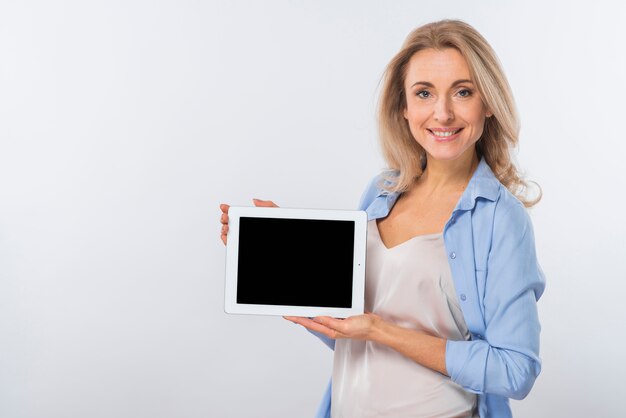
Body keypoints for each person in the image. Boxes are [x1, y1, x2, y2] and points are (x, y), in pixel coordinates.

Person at [220, 19, 545, 418]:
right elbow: (352, 332)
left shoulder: (501, 220)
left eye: (463, 92)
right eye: (424, 93)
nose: (442, 114)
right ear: (404, 108)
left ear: (488, 102)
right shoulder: (381, 192)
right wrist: (286, 248)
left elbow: (515, 371)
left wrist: (382, 331)